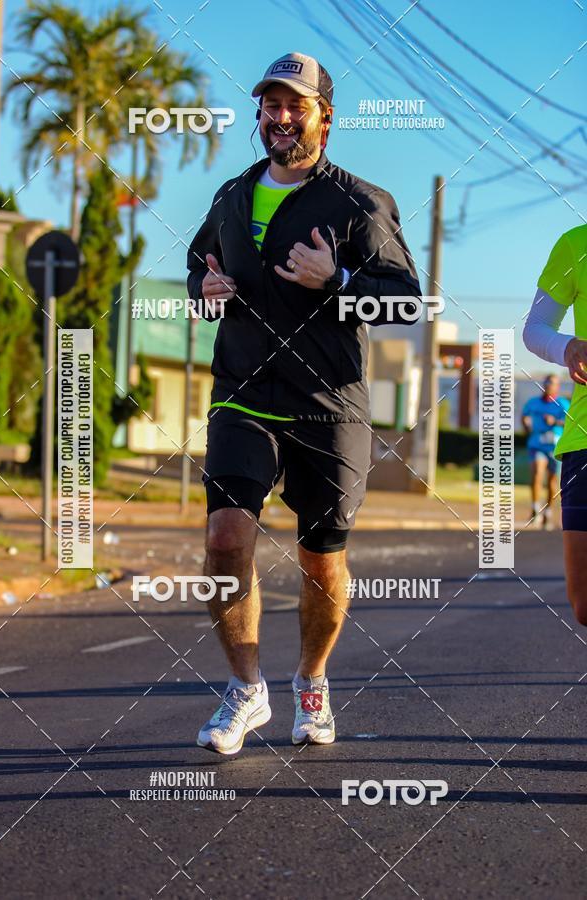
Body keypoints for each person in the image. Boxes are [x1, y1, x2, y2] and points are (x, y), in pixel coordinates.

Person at [187, 52, 420, 755]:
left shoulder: (360, 202)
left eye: (295, 105)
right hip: (245, 394)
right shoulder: (230, 196)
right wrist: (206, 292)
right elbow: (200, 268)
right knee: (226, 539)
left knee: (322, 560)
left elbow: (405, 298)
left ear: (324, 116)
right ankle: (245, 689)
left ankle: (311, 681)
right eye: (270, 104)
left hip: (329, 405)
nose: (280, 117)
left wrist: (338, 277)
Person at [522, 223, 587, 624]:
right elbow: (535, 330)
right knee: (584, 605)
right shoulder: (575, 243)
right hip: (583, 438)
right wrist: (568, 347)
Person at [521, 374, 569, 529]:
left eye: (552, 383)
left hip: (555, 447)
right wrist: (526, 425)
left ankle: (548, 511)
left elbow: (570, 423)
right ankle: (535, 509)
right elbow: (524, 415)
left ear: (558, 387)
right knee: (537, 474)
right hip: (537, 445)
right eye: (546, 382)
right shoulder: (533, 402)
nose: (548, 385)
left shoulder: (562, 404)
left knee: (552, 482)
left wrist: (555, 421)